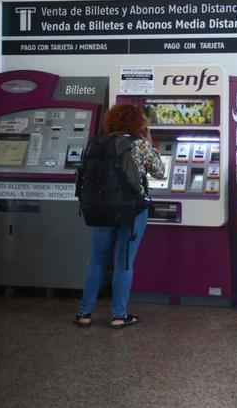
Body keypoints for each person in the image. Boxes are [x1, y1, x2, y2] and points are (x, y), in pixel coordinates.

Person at [74, 104, 165, 329]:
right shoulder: (139, 145)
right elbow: (160, 171)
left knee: (96, 261)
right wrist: (150, 139)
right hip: (130, 211)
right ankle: (118, 315)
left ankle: (84, 313)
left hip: (99, 210)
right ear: (137, 123)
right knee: (124, 263)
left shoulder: (96, 143)